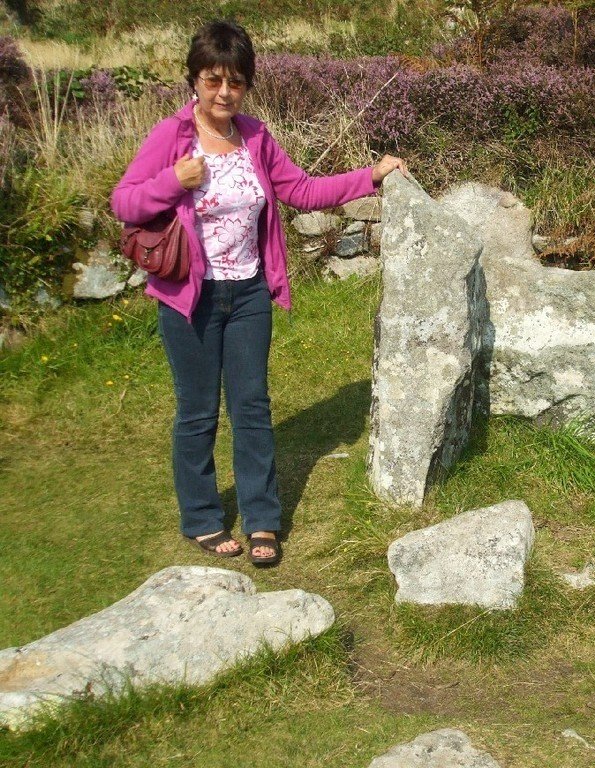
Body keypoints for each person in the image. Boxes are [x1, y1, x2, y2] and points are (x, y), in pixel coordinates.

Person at [111, 20, 409, 566]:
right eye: (212, 80)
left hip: (248, 294)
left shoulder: (255, 137)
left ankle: (262, 520)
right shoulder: (170, 137)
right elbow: (125, 204)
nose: (224, 93)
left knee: (251, 406)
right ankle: (201, 518)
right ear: (194, 81)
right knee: (198, 412)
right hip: (190, 298)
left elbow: (300, 189)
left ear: (247, 85)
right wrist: (174, 181)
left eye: (236, 82)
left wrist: (370, 176)